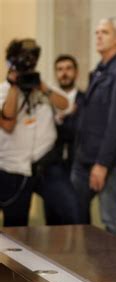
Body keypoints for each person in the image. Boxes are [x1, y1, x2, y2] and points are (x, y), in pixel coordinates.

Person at [71, 17, 116, 238]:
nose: (98, 36)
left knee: (111, 218)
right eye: (97, 32)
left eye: (105, 32)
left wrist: (102, 164)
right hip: (85, 154)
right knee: (76, 214)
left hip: (103, 158)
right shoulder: (100, 69)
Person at [0, 38, 73, 226]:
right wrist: (14, 86)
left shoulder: (42, 87)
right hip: (13, 168)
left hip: (45, 165)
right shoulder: (3, 91)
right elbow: (7, 124)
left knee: (70, 210)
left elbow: (66, 105)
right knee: (16, 227)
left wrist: (42, 87)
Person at [40, 54, 86, 225]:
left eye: (68, 69)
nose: (64, 73)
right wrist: (58, 119)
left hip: (78, 163)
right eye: (60, 69)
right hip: (53, 163)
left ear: (76, 72)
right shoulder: (46, 102)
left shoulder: (85, 99)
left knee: (79, 212)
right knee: (52, 213)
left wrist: (66, 119)